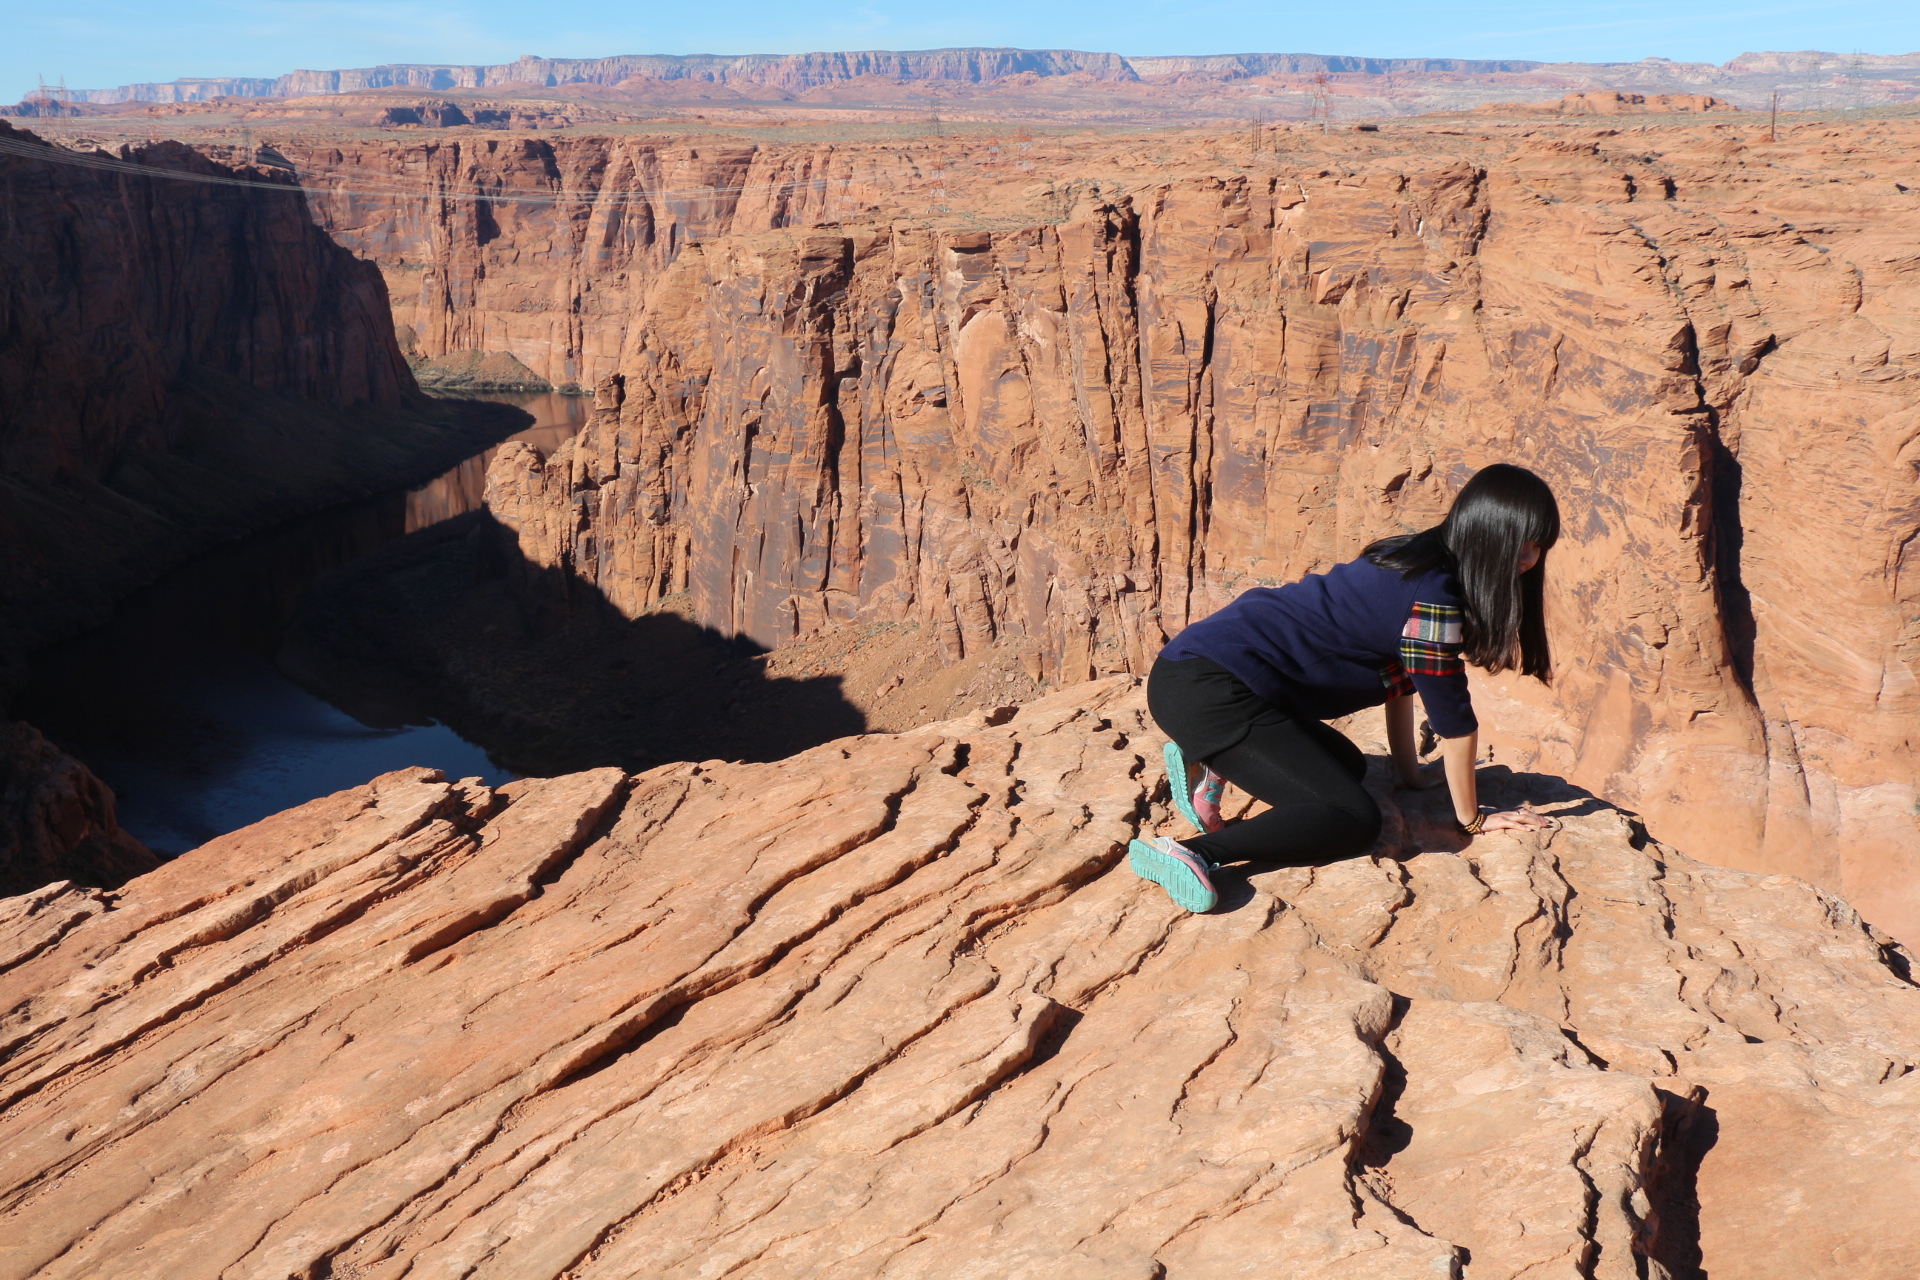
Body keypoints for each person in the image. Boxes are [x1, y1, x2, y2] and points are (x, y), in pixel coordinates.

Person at [1133, 463, 1559, 912]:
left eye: (1537, 547)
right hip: (1208, 689)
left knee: (1347, 766)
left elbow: (1404, 683)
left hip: (1218, 676)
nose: (1528, 560)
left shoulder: (1415, 554)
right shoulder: (1433, 600)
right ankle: (1191, 852)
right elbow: (1454, 723)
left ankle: (1214, 762)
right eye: (1519, 544)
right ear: (1486, 530)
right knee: (1352, 818)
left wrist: (1410, 776)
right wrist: (1471, 821)